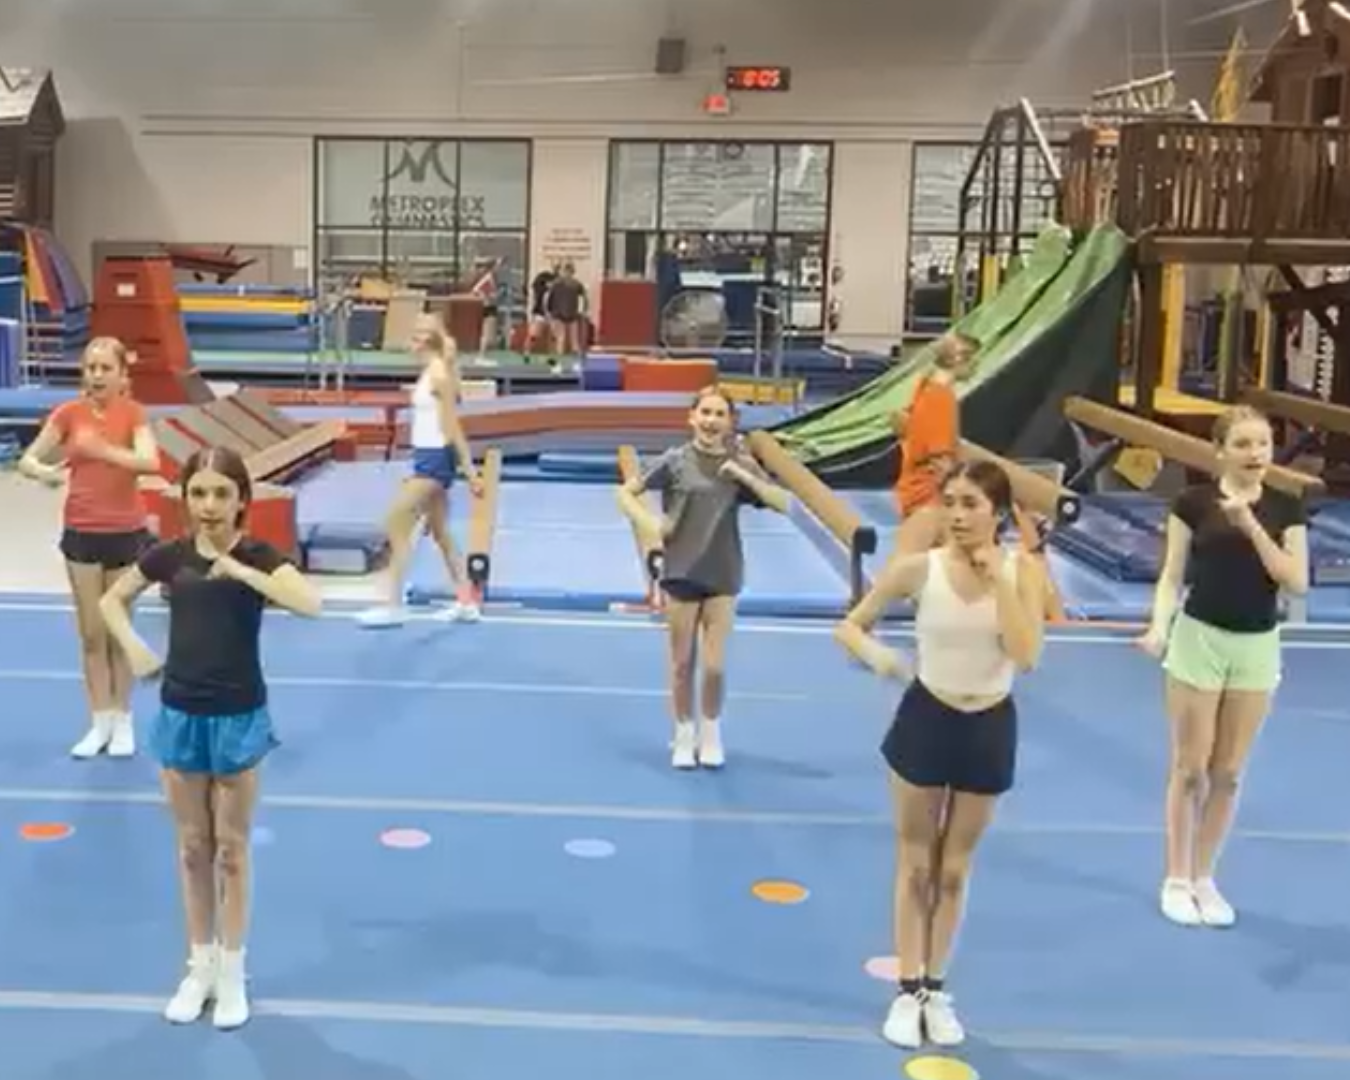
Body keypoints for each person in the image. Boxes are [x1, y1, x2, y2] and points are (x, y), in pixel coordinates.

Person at [99, 445, 322, 1030]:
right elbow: (110, 600)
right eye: (198, 493)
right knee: (192, 848)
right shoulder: (169, 557)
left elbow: (312, 604)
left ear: (242, 500)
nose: (209, 505)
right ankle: (198, 966)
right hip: (181, 713)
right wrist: (134, 646)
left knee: (232, 850)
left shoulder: (257, 554)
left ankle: (232, 971)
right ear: (184, 498)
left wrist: (245, 572)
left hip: (239, 714)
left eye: (222, 493)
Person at [834, 460, 1046, 1049]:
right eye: (949, 502)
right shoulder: (917, 569)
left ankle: (935, 986)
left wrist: (999, 578)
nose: (956, 515)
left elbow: (1027, 654)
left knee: (953, 870)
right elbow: (850, 625)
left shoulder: (1023, 571)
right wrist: (875, 655)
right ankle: (907, 990)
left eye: (971, 504)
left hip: (989, 723)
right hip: (927, 717)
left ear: (997, 512)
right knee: (916, 861)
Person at [1138, 405, 1308, 928]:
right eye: (1243, 444)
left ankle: (1205, 877)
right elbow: (1172, 576)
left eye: (1263, 443)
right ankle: (1175, 877)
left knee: (1228, 773)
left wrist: (1250, 524)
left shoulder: (1286, 509)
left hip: (1256, 646)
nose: (1256, 453)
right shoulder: (1191, 502)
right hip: (1199, 640)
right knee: (1190, 769)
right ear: (1221, 452)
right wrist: (1159, 627)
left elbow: (1295, 581)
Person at [616, 386, 790, 769]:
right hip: (681, 570)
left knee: (714, 665)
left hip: (723, 570)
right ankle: (683, 732)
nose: (711, 421)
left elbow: (783, 503)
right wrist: (650, 523)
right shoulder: (675, 460)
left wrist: (747, 477)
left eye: (719, 414)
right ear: (692, 418)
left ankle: (710, 730)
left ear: (730, 422)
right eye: (705, 413)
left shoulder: (740, 461)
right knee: (682, 664)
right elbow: (626, 493)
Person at [18, 336, 160, 759]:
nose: (96, 375)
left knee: (118, 630)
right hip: (82, 531)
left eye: (105, 368)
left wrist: (105, 451)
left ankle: (123, 720)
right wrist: (43, 472)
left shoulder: (133, 414)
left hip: (125, 531)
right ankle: (99, 720)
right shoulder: (69, 414)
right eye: (90, 367)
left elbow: (150, 462)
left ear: (122, 376)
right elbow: (28, 458)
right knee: (92, 635)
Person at [358, 313, 484, 627]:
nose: (409, 342)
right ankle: (466, 602)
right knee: (441, 533)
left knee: (395, 520)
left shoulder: (439, 374)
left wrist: (470, 472)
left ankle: (392, 604)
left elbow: (452, 426)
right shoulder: (431, 372)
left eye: (415, 336)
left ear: (425, 340)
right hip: (426, 457)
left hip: (435, 460)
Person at [892, 332, 980, 554]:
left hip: (911, 487)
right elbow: (940, 461)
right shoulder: (941, 398)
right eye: (975, 360)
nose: (977, 367)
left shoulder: (924, 386)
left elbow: (903, 426)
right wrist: (958, 503)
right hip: (927, 496)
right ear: (959, 359)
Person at [544, 262, 588, 357]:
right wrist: (548, 311)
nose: (568, 273)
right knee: (564, 338)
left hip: (567, 314)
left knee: (568, 339)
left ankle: (566, 358)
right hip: (562, 314)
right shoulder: (571, 283)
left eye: (569, 271)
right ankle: (566, 358)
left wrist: (584, 310)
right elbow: (548, 297)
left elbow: (584, 298)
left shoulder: (573, 284)